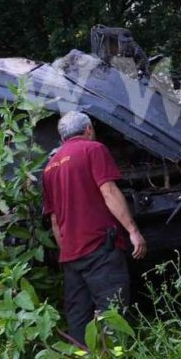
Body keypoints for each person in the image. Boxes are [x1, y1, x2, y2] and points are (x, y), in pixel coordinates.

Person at [41, 111, 147, 345]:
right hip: (99, 247)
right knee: (112, 309)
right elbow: (108, 191)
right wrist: (133, 230)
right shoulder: (93, 149)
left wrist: (66, 252)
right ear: (88, 129)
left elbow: (55, 220)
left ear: (62, 138)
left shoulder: (49, 168)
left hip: (71, 255)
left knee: (78, 316)